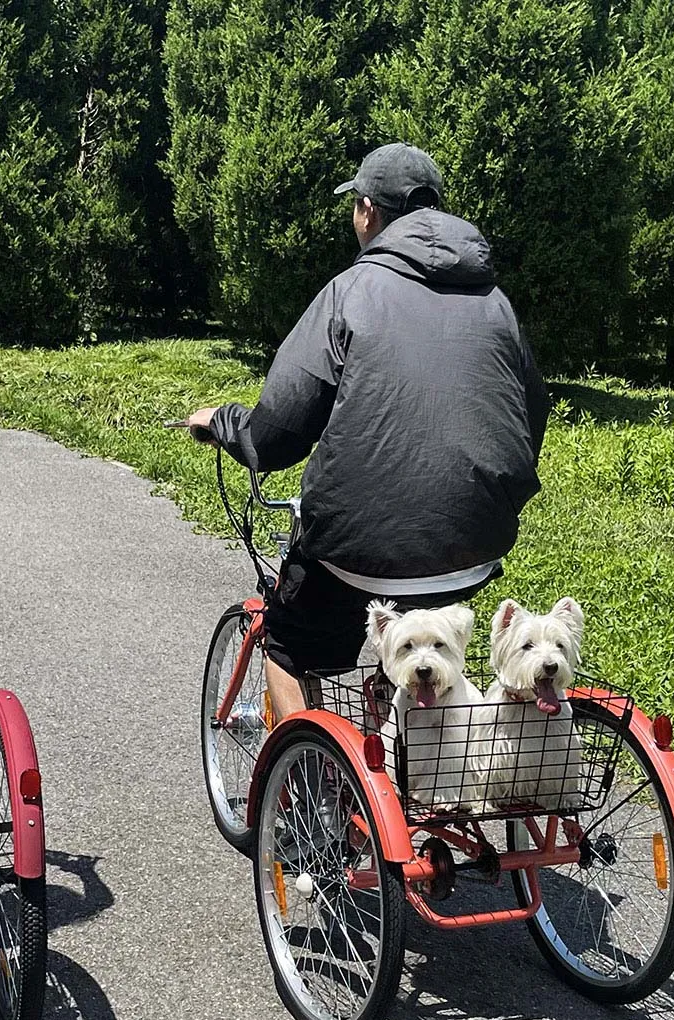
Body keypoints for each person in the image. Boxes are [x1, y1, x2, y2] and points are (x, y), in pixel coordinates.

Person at [186, 143, 550, 721]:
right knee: (415, 635)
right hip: (474, 549)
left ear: (366, 210)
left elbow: (277, 432)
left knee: (288, 643)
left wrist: (223, 424)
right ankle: (401, 764)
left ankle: (312, 802)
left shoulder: (352, 291)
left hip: (360, 553)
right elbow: (531, 414)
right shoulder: (494, 300)